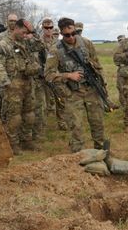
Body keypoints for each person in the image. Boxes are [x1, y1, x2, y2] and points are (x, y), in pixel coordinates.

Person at [45, 17, 106, 152]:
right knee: (75, 126)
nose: (72, 37)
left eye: (74, 33)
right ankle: (77, 156)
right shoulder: (55, 50)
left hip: (92, 89)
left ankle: (101, 152)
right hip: (73, 93)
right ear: (61, 34)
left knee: (98, 122)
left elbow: (98, 65)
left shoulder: (86, 43)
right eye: (67, 35)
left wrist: (102, 85)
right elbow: (48, 74)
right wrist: (68, 75)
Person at [0, 19, 40, 154]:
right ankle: (13, 143)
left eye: (27, 33)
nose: (25, 35)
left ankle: (27, 140)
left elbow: (40, 46)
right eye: (24, 32)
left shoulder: (26, 42)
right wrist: (6, 83)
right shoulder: (3, 44)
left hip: (27, 82)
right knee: (14, 116)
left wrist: (33, 33)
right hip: (12, 84)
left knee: (29, 113)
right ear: (16, 28)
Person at [37, 18, 68, 131]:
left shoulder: (58, 42)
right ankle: (43, 125)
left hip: (56, 75)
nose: (49, 30)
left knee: (61, 99)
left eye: (50, 27)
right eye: (46, 28)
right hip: (43, 76)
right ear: (43, 28)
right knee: (44, 102)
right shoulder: (38, 42)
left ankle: (61, 121)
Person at [116, 34, 128, 109]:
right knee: (121, 88)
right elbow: (116, 61)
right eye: (120, 40)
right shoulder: (118, 51)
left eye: (123, 40)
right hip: (121, 71)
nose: (121, 42)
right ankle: (123, 105)